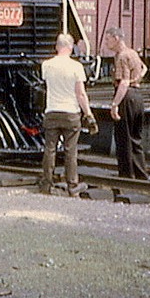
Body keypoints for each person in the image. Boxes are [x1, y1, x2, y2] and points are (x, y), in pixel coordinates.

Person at [39, 33, 96, 196]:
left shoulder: (46, 65)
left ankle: (46, 184)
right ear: (71, 48)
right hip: (71, 113)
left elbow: (47, 85)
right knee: (70, 150)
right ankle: (72, 185)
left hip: (52, 112)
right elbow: (81, 94)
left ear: (57, 47)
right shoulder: (76, 67)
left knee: (50, 149)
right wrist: (89, 114)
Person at [104, 27, 149, 179]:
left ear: (116, 38)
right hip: (137, 96)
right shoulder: (132, 53)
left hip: (126, 97)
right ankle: (141, 175)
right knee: (135, 138)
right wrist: (136, 79)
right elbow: (144, 68)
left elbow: (123, 82)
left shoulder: (122, 56)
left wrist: (115, 104)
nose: (106, 42)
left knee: (123, 139)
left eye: (108, 39)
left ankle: (126, 176)